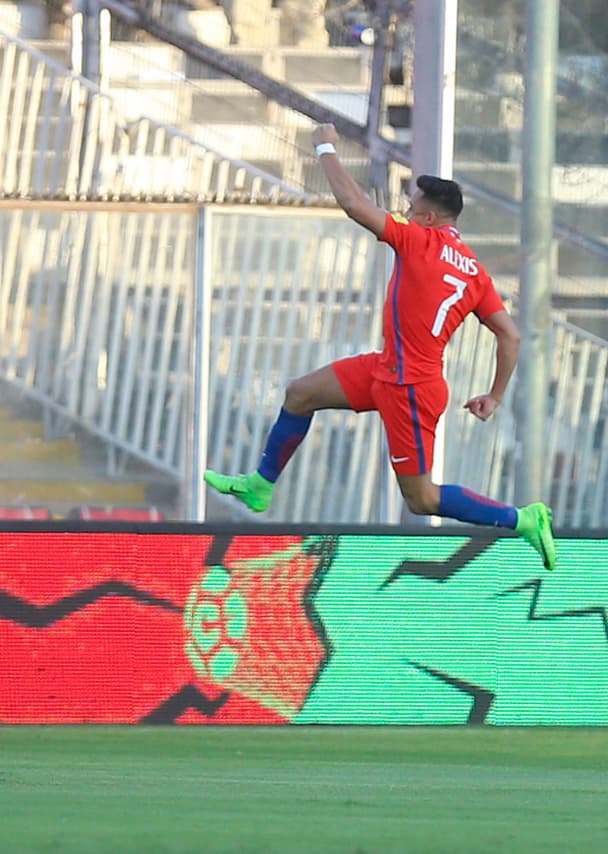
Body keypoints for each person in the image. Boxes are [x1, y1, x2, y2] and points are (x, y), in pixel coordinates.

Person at [204, 123, 557, 572]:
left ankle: (522, 519)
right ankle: (260, 485)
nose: (405, 213)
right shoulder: (475, 271)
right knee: (300, 393)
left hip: (411, 387)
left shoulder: (418, 239)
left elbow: (354, 204)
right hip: (385, 370)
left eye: (412, 208)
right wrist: (496, 395)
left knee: (422, 499)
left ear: (428, 219)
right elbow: (510, 334)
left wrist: (325, 146)